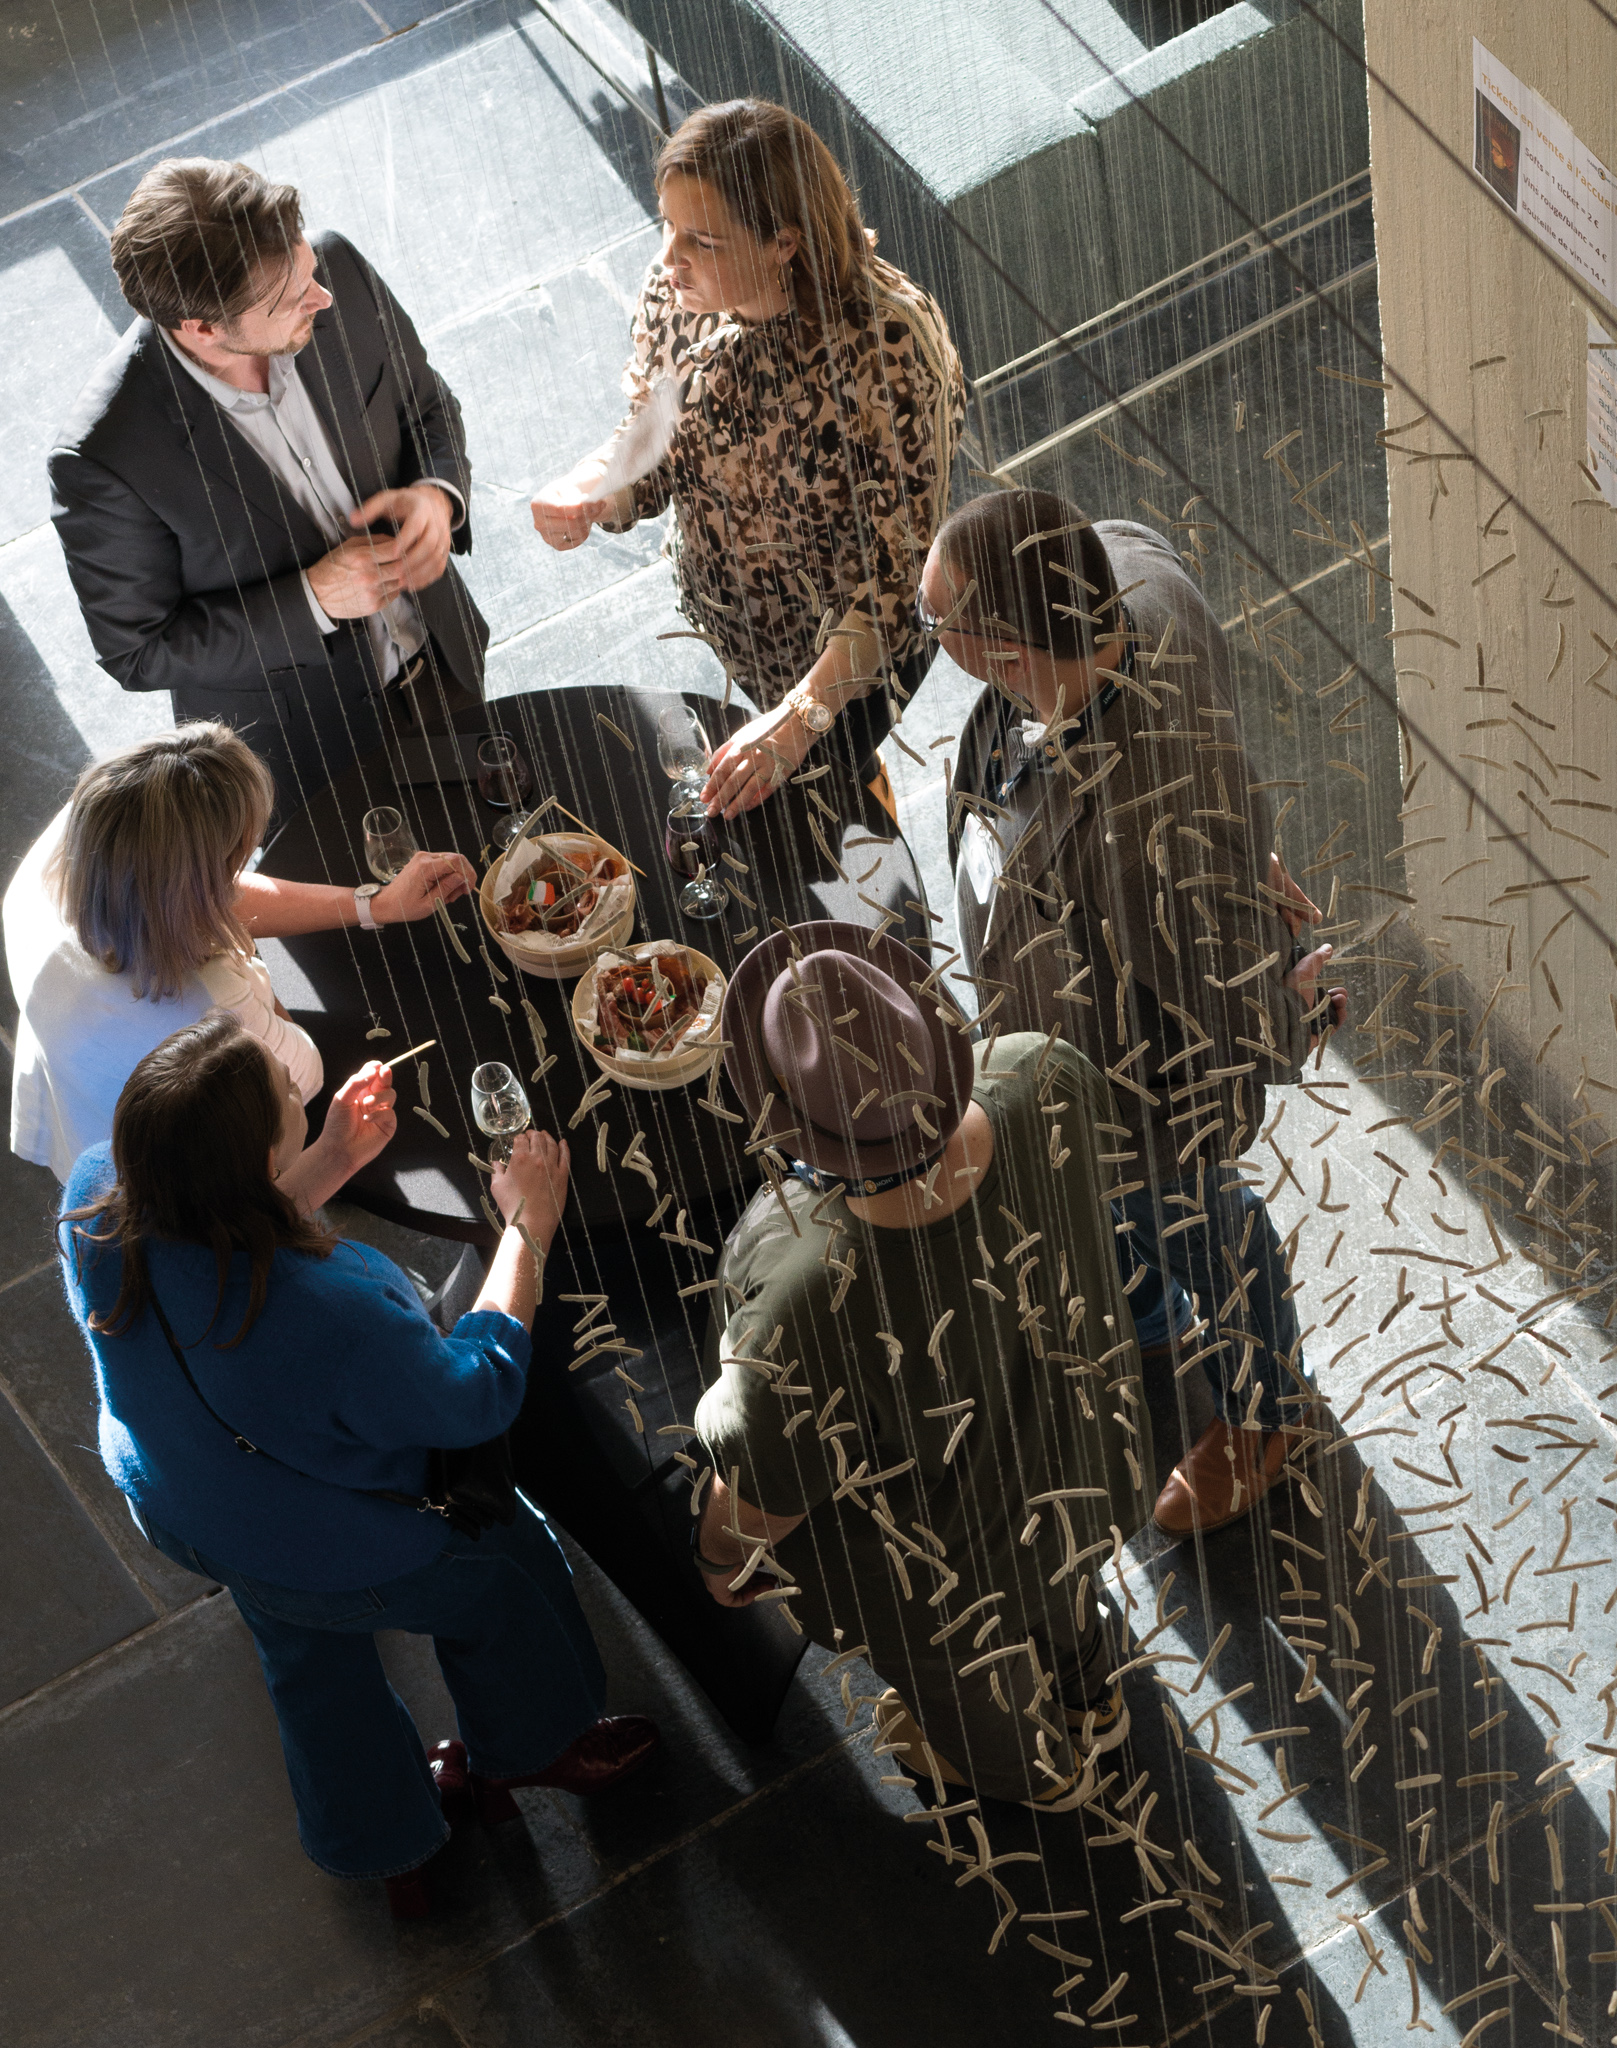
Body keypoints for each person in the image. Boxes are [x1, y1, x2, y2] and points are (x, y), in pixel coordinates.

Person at [59, 1014, 657, 1918]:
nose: (300, 1086)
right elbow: (476, 1390)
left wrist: (331, 1158)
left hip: (184, 1504)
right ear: (257, 1159)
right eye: (284, 1097)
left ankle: (386, 1845)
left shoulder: (98, 1196)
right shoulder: (325, 1312)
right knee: (505, 1572)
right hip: (336, 1543)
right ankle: (531, 1747)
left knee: (308, 1664)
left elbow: (210, 1251)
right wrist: (527, 1228)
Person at [922, 489, 1335, 1539]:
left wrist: (1276, 997)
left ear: (1009, 648)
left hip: (1135, 1082)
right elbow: (1126, 535)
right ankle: (1149, 1315)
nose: (930, 647)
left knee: (1189, 1215)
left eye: (941, 628)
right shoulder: (1127, 574)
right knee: (1114, 1217)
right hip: (1059, 1019)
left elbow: (1229, 988)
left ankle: (1266, 1410)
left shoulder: (1148, 805)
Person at [690, 922, 1154, 1805]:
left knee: (970, 1694)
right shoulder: (1044, 1067)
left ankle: (1043, 1778)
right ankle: (1093, 1694)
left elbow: (762, 1500)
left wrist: (717, 1560)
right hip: (1089, 1453)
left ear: (795, 1130)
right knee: (1064, 1586)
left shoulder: (799, 1303)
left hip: (954, 1582)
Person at [531, 99, 964, 819]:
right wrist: (595, 487)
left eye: (700, 238)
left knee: (832, 797)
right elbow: (656, 429)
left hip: (847, 657)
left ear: (783, 244)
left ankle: (864, 796)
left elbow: (892, 587)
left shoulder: (888, 346)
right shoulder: (680, 289)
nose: (669, 260)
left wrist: (798, 724)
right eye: (667, 225)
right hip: (741, 626)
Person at [51, 157, 487, 820]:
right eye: (290, 301)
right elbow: (137, 650)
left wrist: (435, 494)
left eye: (307, 269)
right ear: (200, 327)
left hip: (445, 663)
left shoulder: (333, 271)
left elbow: (427, 403)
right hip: (309, 750)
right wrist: (313, 599)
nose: (323, 298)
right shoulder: (105, 457)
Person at [6, 722, 474, 1183]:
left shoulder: (87, 833)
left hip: (74, 1092)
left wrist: (376, 905)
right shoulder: (215, 1011)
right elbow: (305, 1072)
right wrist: (248, 965)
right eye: (238, 858)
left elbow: (191, 889)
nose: (242, 872)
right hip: (188, 1167)